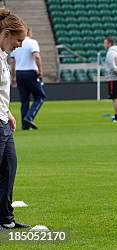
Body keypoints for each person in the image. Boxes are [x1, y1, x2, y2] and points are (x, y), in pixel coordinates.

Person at [0, 8, 29, 231]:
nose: (20, 45)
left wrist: (8, 112)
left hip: (3, 121)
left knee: (10, 166)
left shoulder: (3, 57)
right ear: (5, 34)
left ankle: (5, 219)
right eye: (18, 40)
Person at [9, 27, 45, 130]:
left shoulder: (16, 43)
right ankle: (29, 117)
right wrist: (40, 71)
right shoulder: (32, 42)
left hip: (19, 73)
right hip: (30, 72)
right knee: (40, 96)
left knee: (24, 100)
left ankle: (25, 125)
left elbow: (14, 62)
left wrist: (14, 76)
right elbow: (37, 56)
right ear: (29, 32)